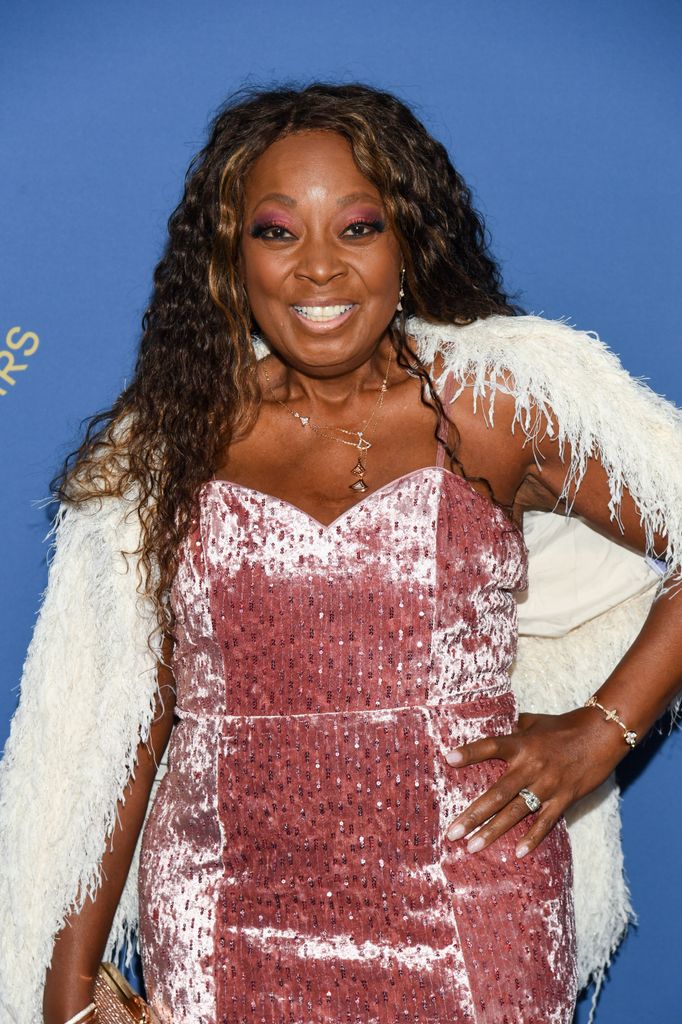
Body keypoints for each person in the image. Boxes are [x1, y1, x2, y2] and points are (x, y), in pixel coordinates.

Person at [1, 82, 681, 1024]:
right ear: (230, 259)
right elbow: (117, 726)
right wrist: (68, 985)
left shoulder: (491, 408)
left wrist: (603, 729)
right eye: (277, 233)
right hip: (222, 919)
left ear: (409, 243)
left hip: (471, 910)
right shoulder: (166, 445)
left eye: (357, 228)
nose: (318, 269)